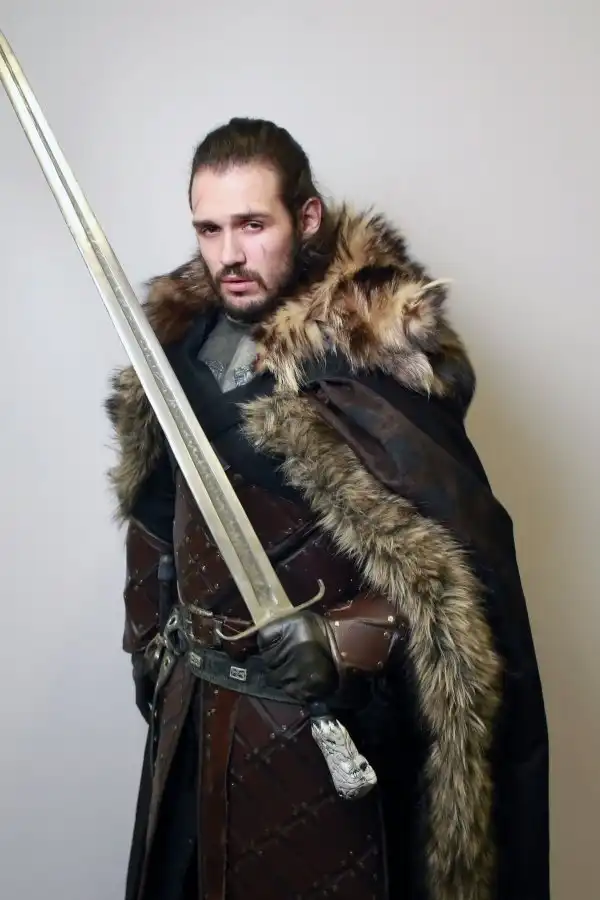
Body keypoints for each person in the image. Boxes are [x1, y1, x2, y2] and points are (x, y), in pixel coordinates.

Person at [105, 117, 549, 900]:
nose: (228, 255)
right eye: (209, 229)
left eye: (253, 224)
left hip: (316, 740)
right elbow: (155, 507)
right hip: (194, 721)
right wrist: (148, 633)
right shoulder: (179, 344)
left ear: (306, 218)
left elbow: (456, 585)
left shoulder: (370, 360)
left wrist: (344, 641)